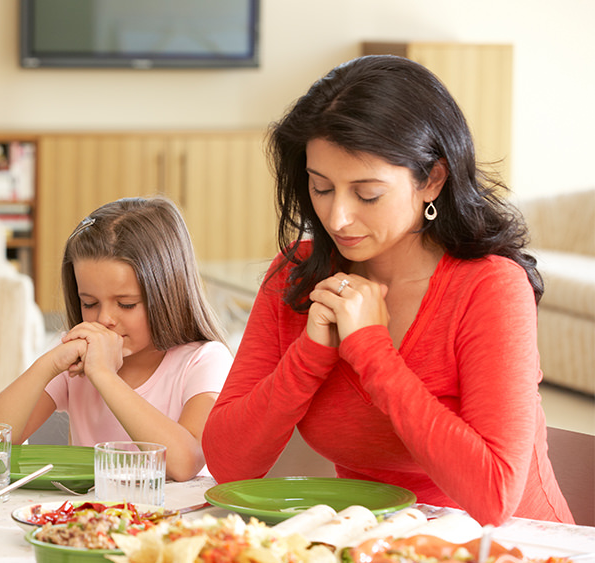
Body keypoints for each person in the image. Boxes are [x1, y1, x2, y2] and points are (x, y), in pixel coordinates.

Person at [202, 55, 574, 525]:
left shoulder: (490, 286)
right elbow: (228, 463)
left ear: (432, 179)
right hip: (370, 542)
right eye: (321, 188)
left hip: (511, 546)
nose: (337, 218)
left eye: (367, 194)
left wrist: (371, 352)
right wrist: (310, 355)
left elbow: (495, 498)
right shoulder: (297, 274)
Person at [0, 196, 232, 481]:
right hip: (92, 519)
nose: (104, 320)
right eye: (89, 303)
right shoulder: (76, 354)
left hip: (178, 521)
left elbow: (184, 463)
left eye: (126, 304)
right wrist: (45, 366)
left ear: (167, 293)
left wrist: (105, 376)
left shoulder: (204, 360)